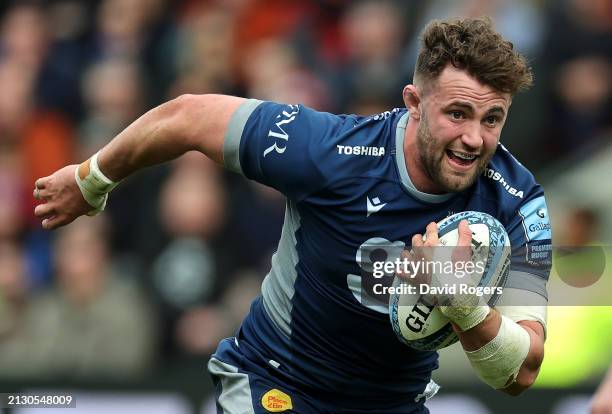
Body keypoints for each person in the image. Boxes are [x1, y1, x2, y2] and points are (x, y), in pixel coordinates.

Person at [33, 17, 551, 413]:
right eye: (457, 113)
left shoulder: (519, 203)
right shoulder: (327, 151)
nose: (474, 138)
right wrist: (91, 179)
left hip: (394, 403)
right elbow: (186, 117)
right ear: (414, 103)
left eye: (492, 119)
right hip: (277, 383)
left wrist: (463, 305)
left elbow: (522, 371)